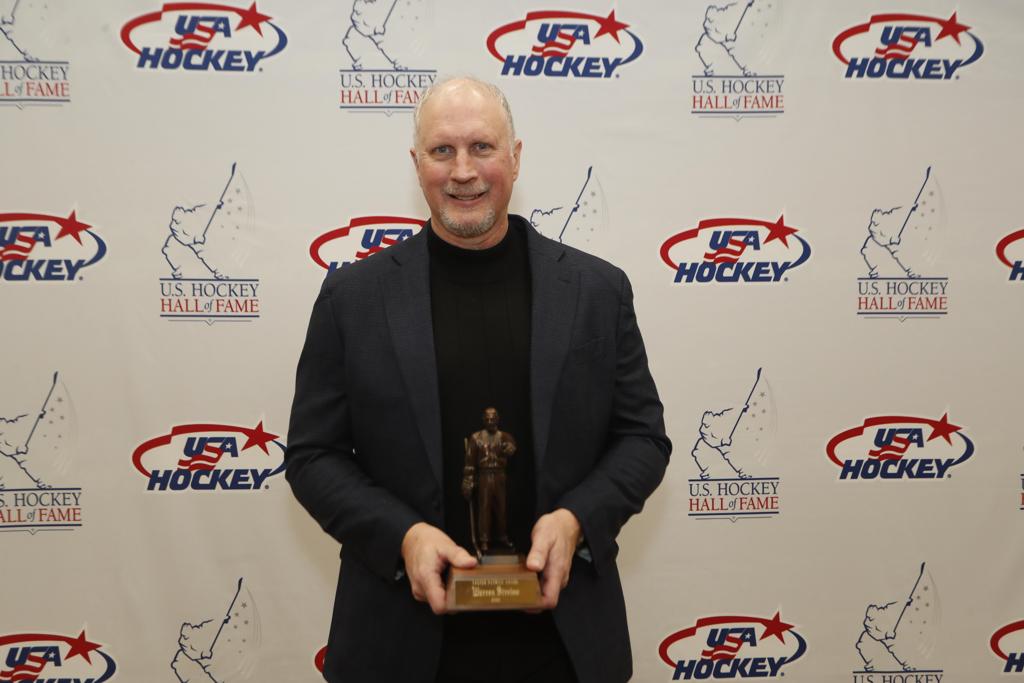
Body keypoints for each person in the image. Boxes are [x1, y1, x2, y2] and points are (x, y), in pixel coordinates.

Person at [286, 76, 671, 683]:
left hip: (563, 645)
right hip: (399, 643)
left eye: (482, 147)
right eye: (442, 151)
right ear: (417, 164)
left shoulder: (597, 291)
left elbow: (642, 439)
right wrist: (404, 537)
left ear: (515, 157)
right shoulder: (351, 300)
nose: (463, 171)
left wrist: (575, 521)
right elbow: (313, 456)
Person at [462, 406, 517, 555]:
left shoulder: (504, 437)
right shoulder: (476, 438)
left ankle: (502, 536)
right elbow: (469, 462)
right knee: (484, 508)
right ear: (483, 420)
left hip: (500, 475)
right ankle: (484, 540)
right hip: (484, 476)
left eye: (493, 418)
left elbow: (512, 447)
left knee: (501, 508)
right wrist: (468, 480)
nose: (490, 421)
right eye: (487, 419)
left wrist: (509, 448)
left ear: (498, 419)